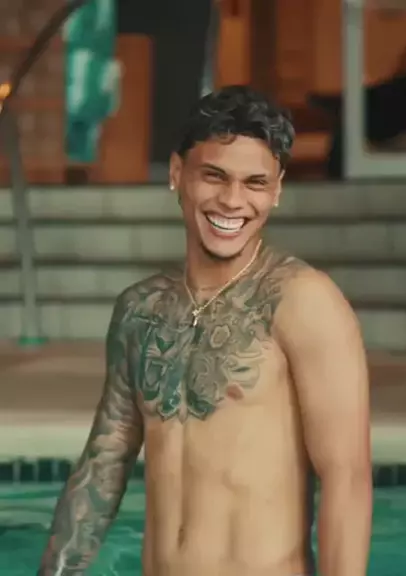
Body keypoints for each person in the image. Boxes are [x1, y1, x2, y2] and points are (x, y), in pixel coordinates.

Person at [37, 85, 372, 576]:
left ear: (277, 189)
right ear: (178, 173)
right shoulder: (140, 310)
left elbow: (347, 479)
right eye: (214, 176)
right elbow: (104, 462)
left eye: (255, 183)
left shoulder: (302, 301)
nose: (233, 201)